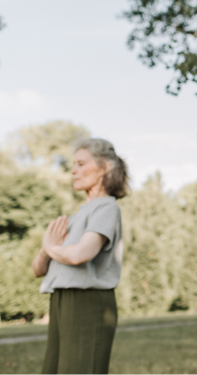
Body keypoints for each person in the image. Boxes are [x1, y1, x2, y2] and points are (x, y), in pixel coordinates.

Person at [32, 138, 128, 374]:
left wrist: (50, 247)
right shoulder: (75, 217)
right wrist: (48, 248)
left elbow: (80, 255)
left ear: (104, 167)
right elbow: (37, 269)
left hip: (88, 302)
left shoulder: (107, 208)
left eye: (81, 163)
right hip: (60, 300)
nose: (73, 170)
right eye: (73, 164)